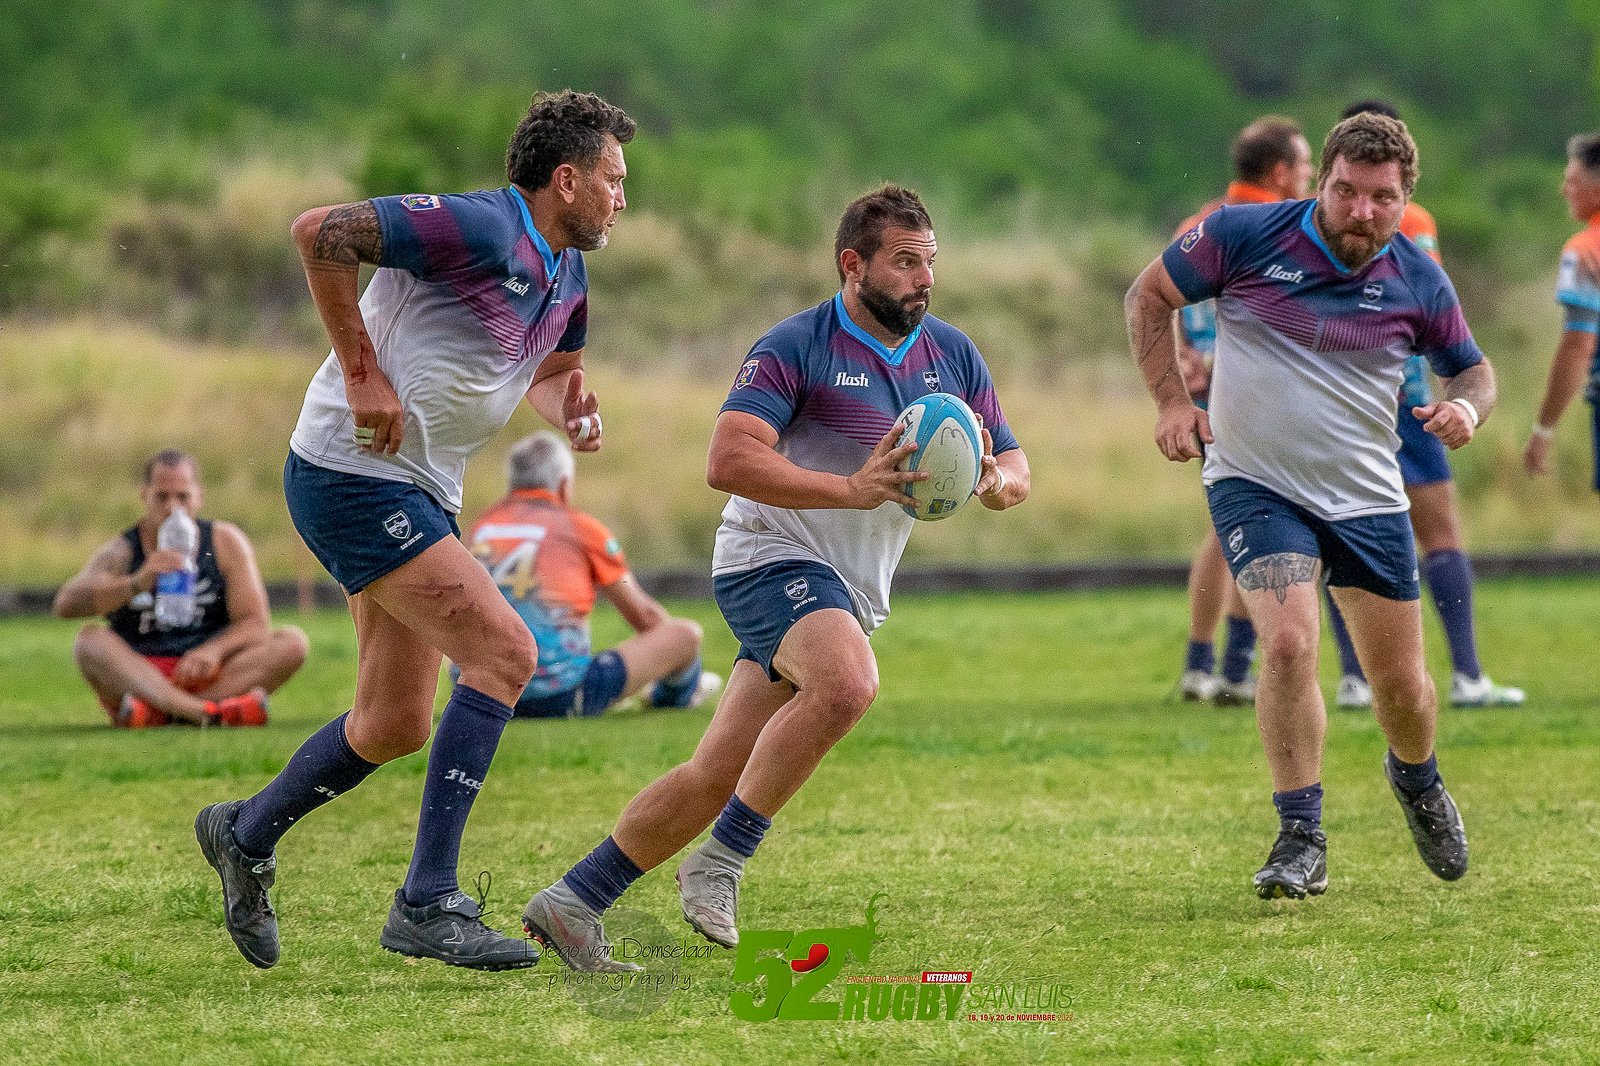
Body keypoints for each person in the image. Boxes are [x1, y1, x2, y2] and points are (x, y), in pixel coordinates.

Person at [521, 185, 1030, 972]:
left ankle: (573, 900)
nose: (923, 279)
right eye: (904, 262)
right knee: (848, 684)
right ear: (852, 265)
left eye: (930, 262)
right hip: (769, 558)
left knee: (714, 772)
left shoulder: (952, 355)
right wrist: (847, 488)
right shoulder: (796, 346)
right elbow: (728, 460)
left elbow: (1014, 462)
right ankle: (720, 864)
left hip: (849, 588)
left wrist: (995, 482)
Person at [193, 89, 636, 971]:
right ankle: (427, 902)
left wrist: (568, 409)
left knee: (394, 722)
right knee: (506, 654)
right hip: (350, 474)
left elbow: (551, 372)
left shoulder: (567, 270)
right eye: (614, 179)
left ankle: (244, 833)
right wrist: (361, 372)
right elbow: (318, 231)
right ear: (566, 179)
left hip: (420, 488)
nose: (623, 197)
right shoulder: (477, 227)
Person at [1126, 112, 1494, 900]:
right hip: (1254, 482)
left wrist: (1468, 408)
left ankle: (1418, 779)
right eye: (1347, 191)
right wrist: (1168, 402)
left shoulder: (1419, 279)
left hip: (1366, 498)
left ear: (1405, 200)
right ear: (1319, 180)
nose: (1362, 210)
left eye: (1382, 198)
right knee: (1289, 643)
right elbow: (1148, 294)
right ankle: (1301, 834)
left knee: (1403, 691)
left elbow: (1474, 371)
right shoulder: (1242, 235)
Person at [1323, 101, 1523, 712]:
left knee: (1341, 538)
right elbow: (1428, 308)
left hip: (1345, 404)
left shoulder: (1321, 219)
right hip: (1407, 397)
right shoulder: (1415, 218)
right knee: (1439, 533)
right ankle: (1467, 674)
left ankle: (1356, 679)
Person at [1175, 116, 1314, 706]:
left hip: (1210, 399)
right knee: (1256, 524)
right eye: (1306, 168)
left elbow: (1156, 299)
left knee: (1222, 526)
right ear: (1280, 172)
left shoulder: (1198, 222)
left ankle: (1204, 662)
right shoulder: (1284, 230)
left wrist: (1181, 359)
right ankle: (1231, 666)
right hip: (1258, 399)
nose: (1310, 178)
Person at [462, 430, 721, 719]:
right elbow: (645, 616)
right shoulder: (581, 529)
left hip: (478, 693)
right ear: (563, 485)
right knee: (685, 636)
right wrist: (673, 658)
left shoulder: (479, 528)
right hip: (558, 695)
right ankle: (675, 696)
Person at [52, 450, 307, 728]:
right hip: (141, 670)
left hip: (208, 672)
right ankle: (207, 712)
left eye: (182, 497)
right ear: (145, 495)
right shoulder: (124, 550)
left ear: (199, 496)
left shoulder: (225, 542)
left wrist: (213, 651)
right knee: (89, 641)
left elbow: (255, 622)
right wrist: (137, 582)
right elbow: (66, 605)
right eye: (162, 497)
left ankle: (159, 712)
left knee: (292, 643)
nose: (173, 507)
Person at [1524, 132, 1600, 496]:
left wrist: (1544, 429)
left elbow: (1578, 346)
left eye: (1571, 181)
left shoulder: (1586, 250)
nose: (1563, 190)